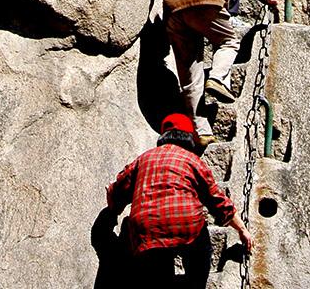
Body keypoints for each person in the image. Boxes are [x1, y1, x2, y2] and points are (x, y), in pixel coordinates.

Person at [159, 0, 279, 142]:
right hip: (205, 1)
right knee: (229, 41)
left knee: (190, 75)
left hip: (174, 11)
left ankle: (202, 131)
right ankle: (217, 77)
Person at [106, 112, 253, 288]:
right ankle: (195, 283)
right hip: (186, 224)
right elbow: (217, 200)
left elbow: (116, 191)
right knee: (200, 251)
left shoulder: (143, 159)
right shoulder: (193, 160)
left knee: (156, 266)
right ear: (190, 138)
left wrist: (114, 209)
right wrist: (242, 229)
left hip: (147, 229)